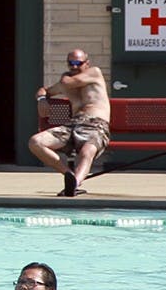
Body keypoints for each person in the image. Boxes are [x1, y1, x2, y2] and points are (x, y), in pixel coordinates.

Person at [29, 49, 111, 196]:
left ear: (87, 63)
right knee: (36, 142)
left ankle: (74, 186)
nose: (73, 67)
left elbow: (70, 82)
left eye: (77, 63)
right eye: (70, 63)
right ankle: (69, 176)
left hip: (95, 124)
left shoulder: (94, 73)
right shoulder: (65, 82)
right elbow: (43, 90)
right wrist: (41, 100)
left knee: (87, 151)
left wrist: (63, 79)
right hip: (72, 125)